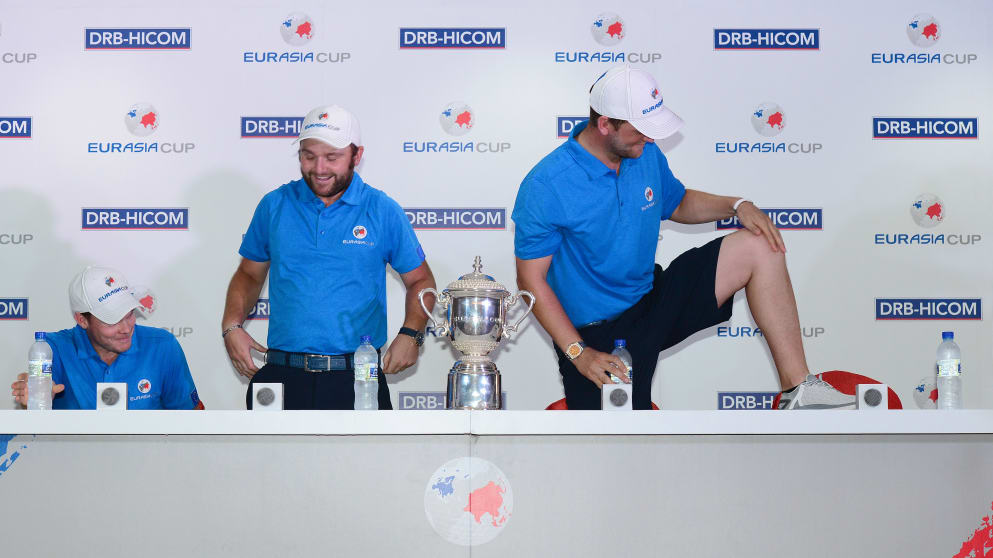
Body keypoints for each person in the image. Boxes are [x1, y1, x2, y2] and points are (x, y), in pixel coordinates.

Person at [512, 65, 854, 410]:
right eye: (641, 130)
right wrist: (579, 353)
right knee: (616, 448)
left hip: (650, 302)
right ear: (605, 125)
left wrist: (736, 205)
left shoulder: (644, 153)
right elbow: (531, 280)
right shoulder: (546, 184)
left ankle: (798, 388)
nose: (650, 138)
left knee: (759, 246)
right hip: (592, 334)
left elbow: (677, 202)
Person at [222, 104, 435, 410]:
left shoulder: (382, 209)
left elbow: (421, 280)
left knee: (363, 461)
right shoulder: (274, 205)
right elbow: (249, 274)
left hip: (358, 378)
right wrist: (232, 325)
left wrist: (411, 335)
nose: (319, 169)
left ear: (356, 156)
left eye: (332, 158)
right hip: (283, 375)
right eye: (309, 156)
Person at [10, 266, 203, 410]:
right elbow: (37, 400)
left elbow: (192, 418)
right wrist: (35, 397)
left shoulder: (162, 346)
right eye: (113, 321)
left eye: (129, 314)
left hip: (149, 462)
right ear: (82, 320)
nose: (126, 328)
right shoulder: (54, 349)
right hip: (73, 463)